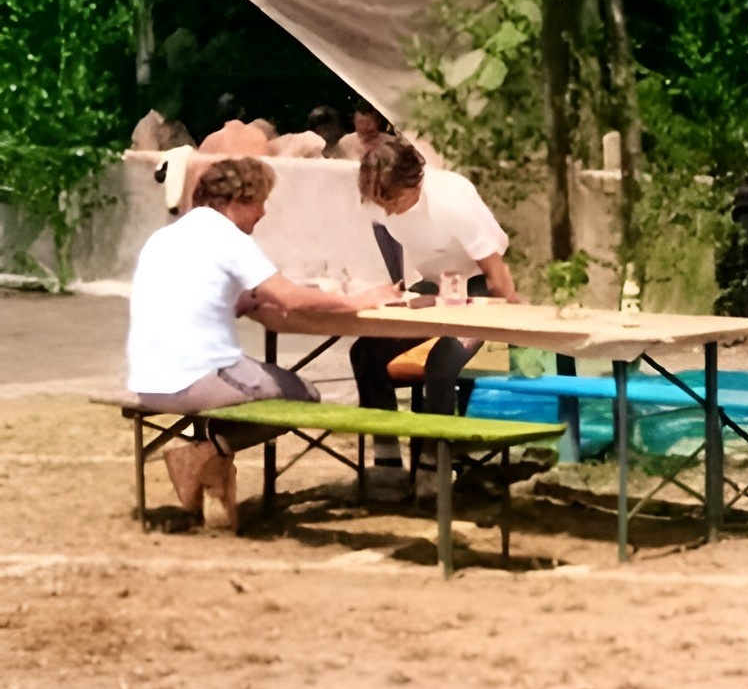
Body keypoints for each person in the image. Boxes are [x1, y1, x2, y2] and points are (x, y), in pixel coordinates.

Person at [127, 157, 399, 530]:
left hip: (147, 379)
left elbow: (185, 298)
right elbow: (289, 298)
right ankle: (204, 453)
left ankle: (211, 484)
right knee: (303, 397)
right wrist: (360, 301)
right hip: (195, 381)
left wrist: (237, 304)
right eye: (260, 202)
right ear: (237, 199)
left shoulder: (165, 236)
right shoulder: (227, 237)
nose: (263, 212)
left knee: (244, 386)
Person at [350, 140, 520, 493]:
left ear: (415, 183)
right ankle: (387, 462)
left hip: (478, 287)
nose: (389, 210)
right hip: (435, 284)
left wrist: (516, 322)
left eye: (394, 201)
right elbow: (381, 228)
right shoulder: (379, 197)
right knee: (366, 352)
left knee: (443, 363)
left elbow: (496, 270)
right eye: (381, 202)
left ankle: (433, 466)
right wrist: (396, 285)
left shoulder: (452, 201)